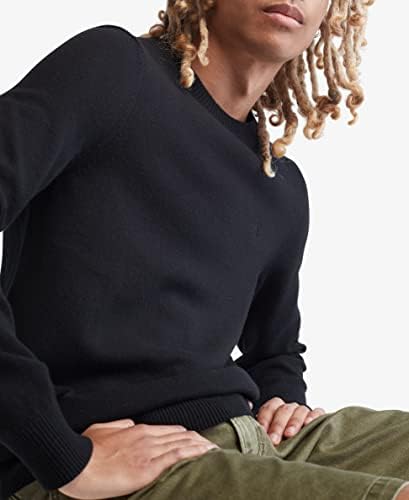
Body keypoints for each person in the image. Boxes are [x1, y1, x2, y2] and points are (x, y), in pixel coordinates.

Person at [2, 1, 409, 499]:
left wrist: (284, 399)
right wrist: (61, 456)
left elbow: (275, 349)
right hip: (107, 454)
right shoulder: (114, 69)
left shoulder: (280, 185)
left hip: (255, 441)